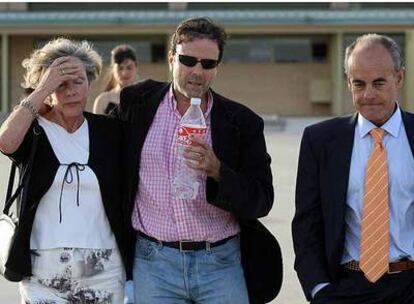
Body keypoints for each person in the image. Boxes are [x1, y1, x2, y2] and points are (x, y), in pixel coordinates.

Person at [115, 17, 281, 303]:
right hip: (153, 262)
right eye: (188, 60)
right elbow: (97, 146)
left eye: (208, 64)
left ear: (217, 67)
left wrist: (218, 171)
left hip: (219, 262)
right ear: (171, 59)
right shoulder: (137, 103)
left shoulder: (242, 122)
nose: (197, 72)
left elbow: (261, 200)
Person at [0, 38, 132, 303]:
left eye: (78, 81)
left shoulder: (109, 131)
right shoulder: (33, 131)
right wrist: (42, 89)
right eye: (60, 84)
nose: (70, 91)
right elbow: (5, 142)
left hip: (103, 268)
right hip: (42, 273)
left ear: (89, 82)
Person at [292, 33, 414, 304]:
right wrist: (319, 289)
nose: (368, 94)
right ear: (348, 83)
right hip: (347, 287)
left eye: (379, 82)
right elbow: (307, 225)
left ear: (399, 78)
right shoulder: (320, 140)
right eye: (359, 84)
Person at [93, 44, 138, 115]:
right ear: (113, 70)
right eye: (120, 68)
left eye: (129, 67)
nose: (124, 73)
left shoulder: (144, 99)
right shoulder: (103, 100)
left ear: (136, 68)